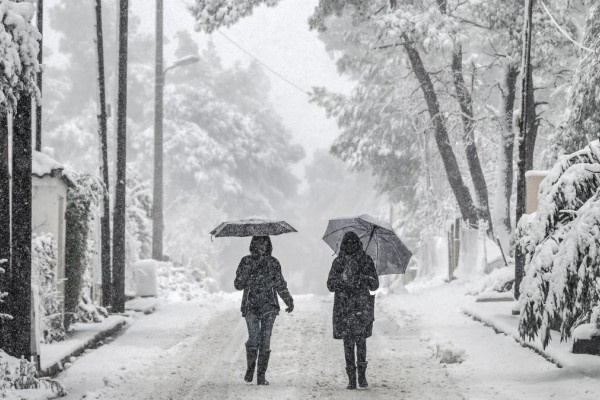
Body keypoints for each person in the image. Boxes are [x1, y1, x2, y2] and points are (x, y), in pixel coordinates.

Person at [234, 235, 294, 385]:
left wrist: (288, 300)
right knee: (254, 338)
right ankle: (250, 367)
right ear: (253, 245)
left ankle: (261, 376)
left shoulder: (273, 263)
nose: (261, 246)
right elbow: (237, 284)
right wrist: (248, 273)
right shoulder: (246, 261)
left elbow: (280, 284)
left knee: (265, 341)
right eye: (258, 243)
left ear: (268, 245)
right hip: (250, 306)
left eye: (264, 243)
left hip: (269, 307)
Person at [327, 231, 379, 389]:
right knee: (348, 343)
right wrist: (342, 280)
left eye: (353, 244)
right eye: (347, 244)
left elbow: (375, 284)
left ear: (357, 244)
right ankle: (352, 378)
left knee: (360, 341)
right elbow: (330, 284)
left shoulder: (365, 260)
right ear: (343, 245)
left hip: (361, 308)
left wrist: (361, 278)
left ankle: (361, 376)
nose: (350, 247)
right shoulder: (338, 262)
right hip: (344, 308)